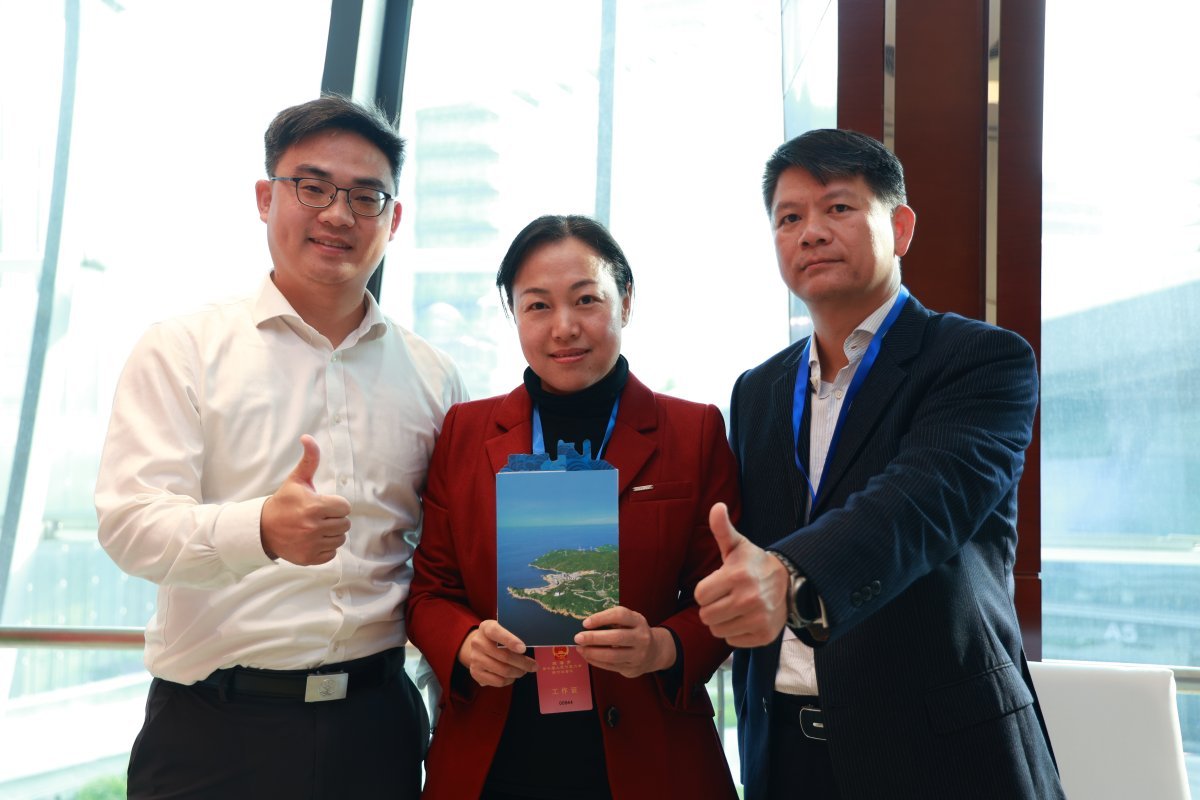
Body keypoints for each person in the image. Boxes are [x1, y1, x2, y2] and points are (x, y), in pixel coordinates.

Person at [94, 95, 466, 799]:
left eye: (366, 196)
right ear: (266, 198)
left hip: (377, 730)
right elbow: (131, 526)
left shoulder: (434, 377)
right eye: (312, 187)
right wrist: (261, 529)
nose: (338, 214)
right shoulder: (183, 349)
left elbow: (448, 556)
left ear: (393, 220)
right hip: (215, 732)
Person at [693, 129, 1065, 799]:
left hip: (939, 752)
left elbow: (920, 502)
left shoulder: (980, 359)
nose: (811, 232)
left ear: (900, 227)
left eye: (838, 207)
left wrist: (790, 576)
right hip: (783, 752)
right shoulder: (757, 390)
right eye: (788, 218)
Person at [406, 214, 740, 800]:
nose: (564, 327)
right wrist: (463, 642)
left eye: (586, 299)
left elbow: (728, 592)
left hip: (649, 756)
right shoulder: (465, 431)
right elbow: (430, 589)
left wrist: (662, 646)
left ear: (626, 301)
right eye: (538, 306)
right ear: (513, 314)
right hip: (495, 757)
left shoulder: (693, 431)